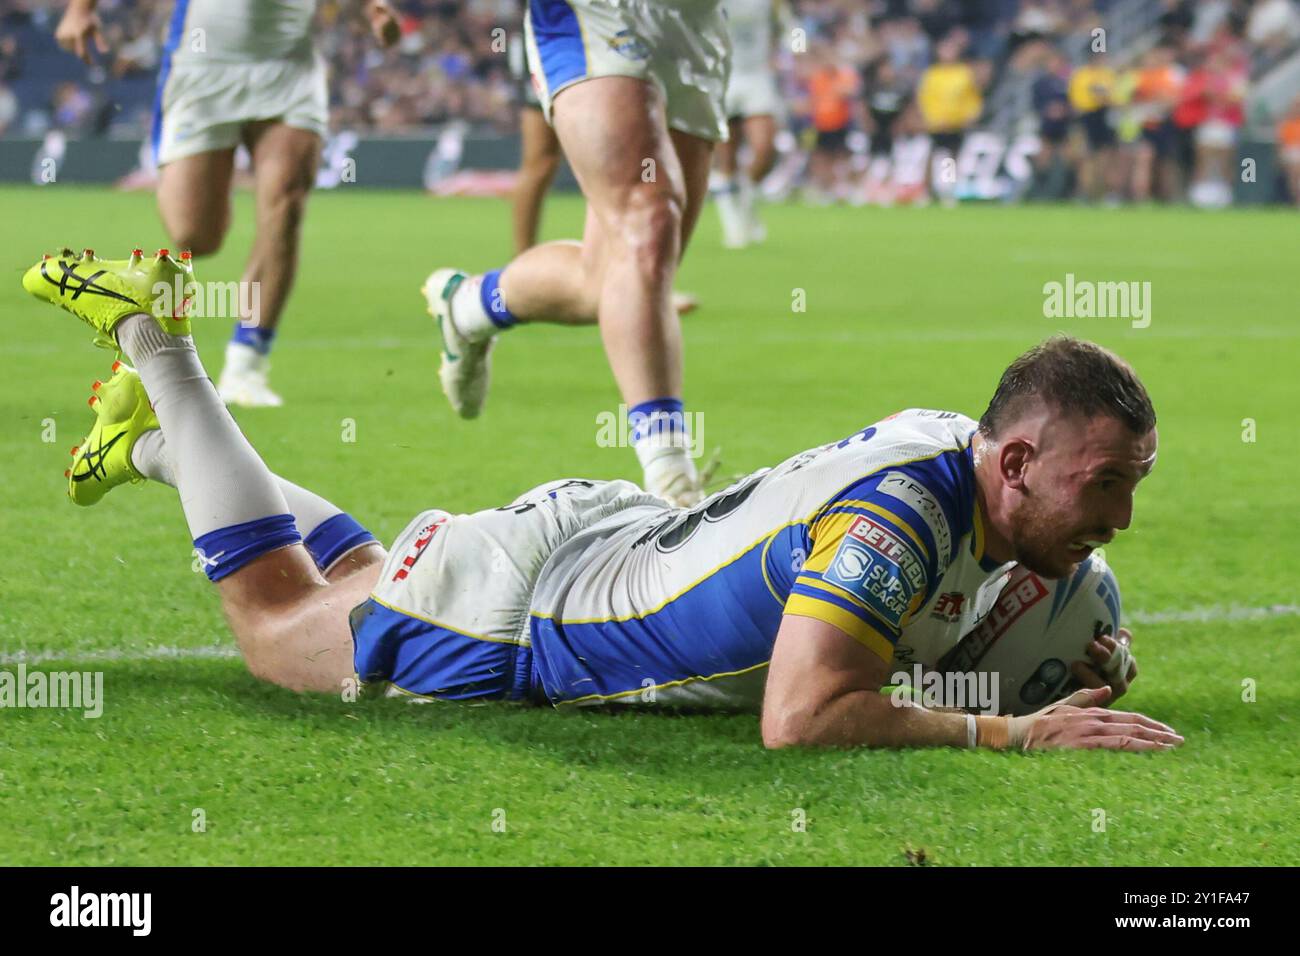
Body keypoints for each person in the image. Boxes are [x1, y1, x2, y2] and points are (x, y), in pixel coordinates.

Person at [24, 248, 1181, 753]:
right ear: (1018, 463)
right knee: (277, 619)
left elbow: (909, 618)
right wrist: (1010, 728)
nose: (1115, 521)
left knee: (352, 571)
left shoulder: (952, 448)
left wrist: (1043, 644)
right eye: (1103, 486)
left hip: (596, 540)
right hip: (526, 620)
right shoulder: (893, 528)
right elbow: (803, 715)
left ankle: (160, 447)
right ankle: (154, 343)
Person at [423, 0, 732, 508]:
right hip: (595, 12)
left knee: (617, 280)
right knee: (647, 220)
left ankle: (469, 305)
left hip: (693, 26)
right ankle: (673, 482)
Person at [54, 0, 400, 408]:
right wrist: (80, 9)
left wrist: (374, 11)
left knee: (286, 205)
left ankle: (247, 363)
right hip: (203, 67)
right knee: (195, 235)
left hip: (289, 67)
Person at [711, 0, 789, 248]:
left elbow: (792, 28)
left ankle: (746, 198)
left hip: (757, 76)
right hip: (721, 74)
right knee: (726, 158)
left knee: (766, 149)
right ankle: (733, 227)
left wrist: (795, 51)